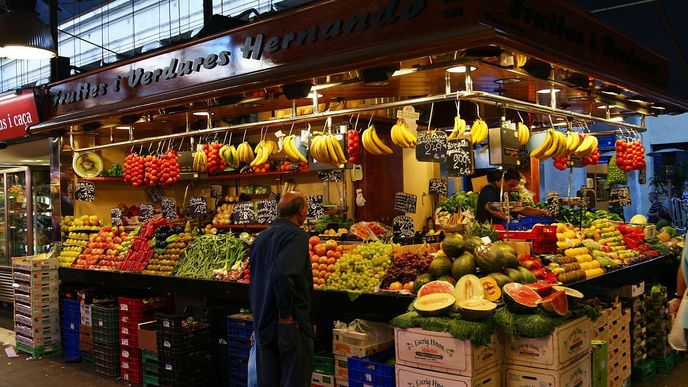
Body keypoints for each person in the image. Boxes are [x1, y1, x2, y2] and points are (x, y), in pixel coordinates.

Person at [249, 191, 313, 387]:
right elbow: (284, 274)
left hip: (263, 323)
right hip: (286, 325)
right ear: (301, 211)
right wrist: (286, 313)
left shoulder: (261, 237)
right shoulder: (297, 236)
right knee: (294, 380)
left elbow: (255, 279)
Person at [475, 168, 548, 223]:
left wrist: (542, 212)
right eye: (511, 185)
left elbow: (520, 209)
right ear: (502, 180)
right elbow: (491, 208)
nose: (512, 189)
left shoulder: (507, 194)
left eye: (514, 186)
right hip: (487, 233)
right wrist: (511, 219)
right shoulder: (488, 190)